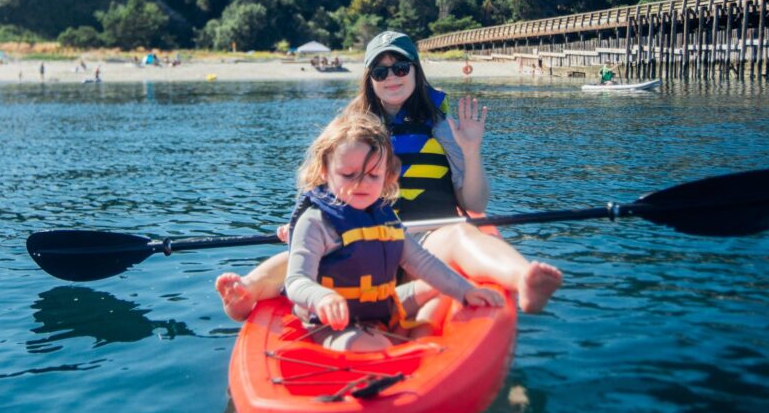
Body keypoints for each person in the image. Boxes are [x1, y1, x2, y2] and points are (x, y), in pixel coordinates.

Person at [217, 30, 562, 321]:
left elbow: (474, 204)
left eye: (400, 67)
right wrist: (300, 226)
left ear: (415, 71)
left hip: (427, 242)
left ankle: (524, 279)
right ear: (370, 80)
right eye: (380, 73)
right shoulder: (349, 131)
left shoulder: (443, 129)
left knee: (461, 236)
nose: (392, 77)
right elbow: (321, 190)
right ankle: (246, 290)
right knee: (299, 257)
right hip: (360, 240)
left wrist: (471, 151)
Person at [285, 109, 503, 352]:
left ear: (387, 176)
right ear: (325, 171)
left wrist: (466, 291)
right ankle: (404, 345)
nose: (361, 184)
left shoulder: (385, 216)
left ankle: (420, 337)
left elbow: (422, 263)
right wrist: (320, 298)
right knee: (370, 344)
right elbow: (296, 281)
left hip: (382, 308)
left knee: (443, 286)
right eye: (348, 174)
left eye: (373, 175)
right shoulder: (316, 222)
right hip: (332, 324)